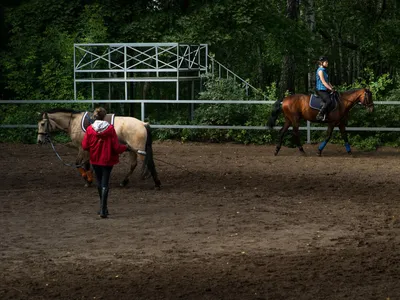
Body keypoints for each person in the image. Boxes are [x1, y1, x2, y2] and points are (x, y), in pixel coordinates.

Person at [82, 107, 131, 218]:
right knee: (105, 183)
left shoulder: (89, 129)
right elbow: (116, 147)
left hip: (95, 160)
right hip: (107, 160)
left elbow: (85, 146)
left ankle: (102, 208)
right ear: (104, 117)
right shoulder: (110, 129)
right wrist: (125, 148)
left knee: (99, 182)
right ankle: (104, 209)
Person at [315, 56, 335, 121]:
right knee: (329, 101)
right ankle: (320, 115)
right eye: (326, 62)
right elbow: (323, 82)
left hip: (325, 89)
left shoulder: (324, 70)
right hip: (320, 90)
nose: (327, 63)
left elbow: (327, 81)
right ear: (321, 63)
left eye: (327, 62)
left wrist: (333, 88)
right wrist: (330, 89)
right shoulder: (320, 71)